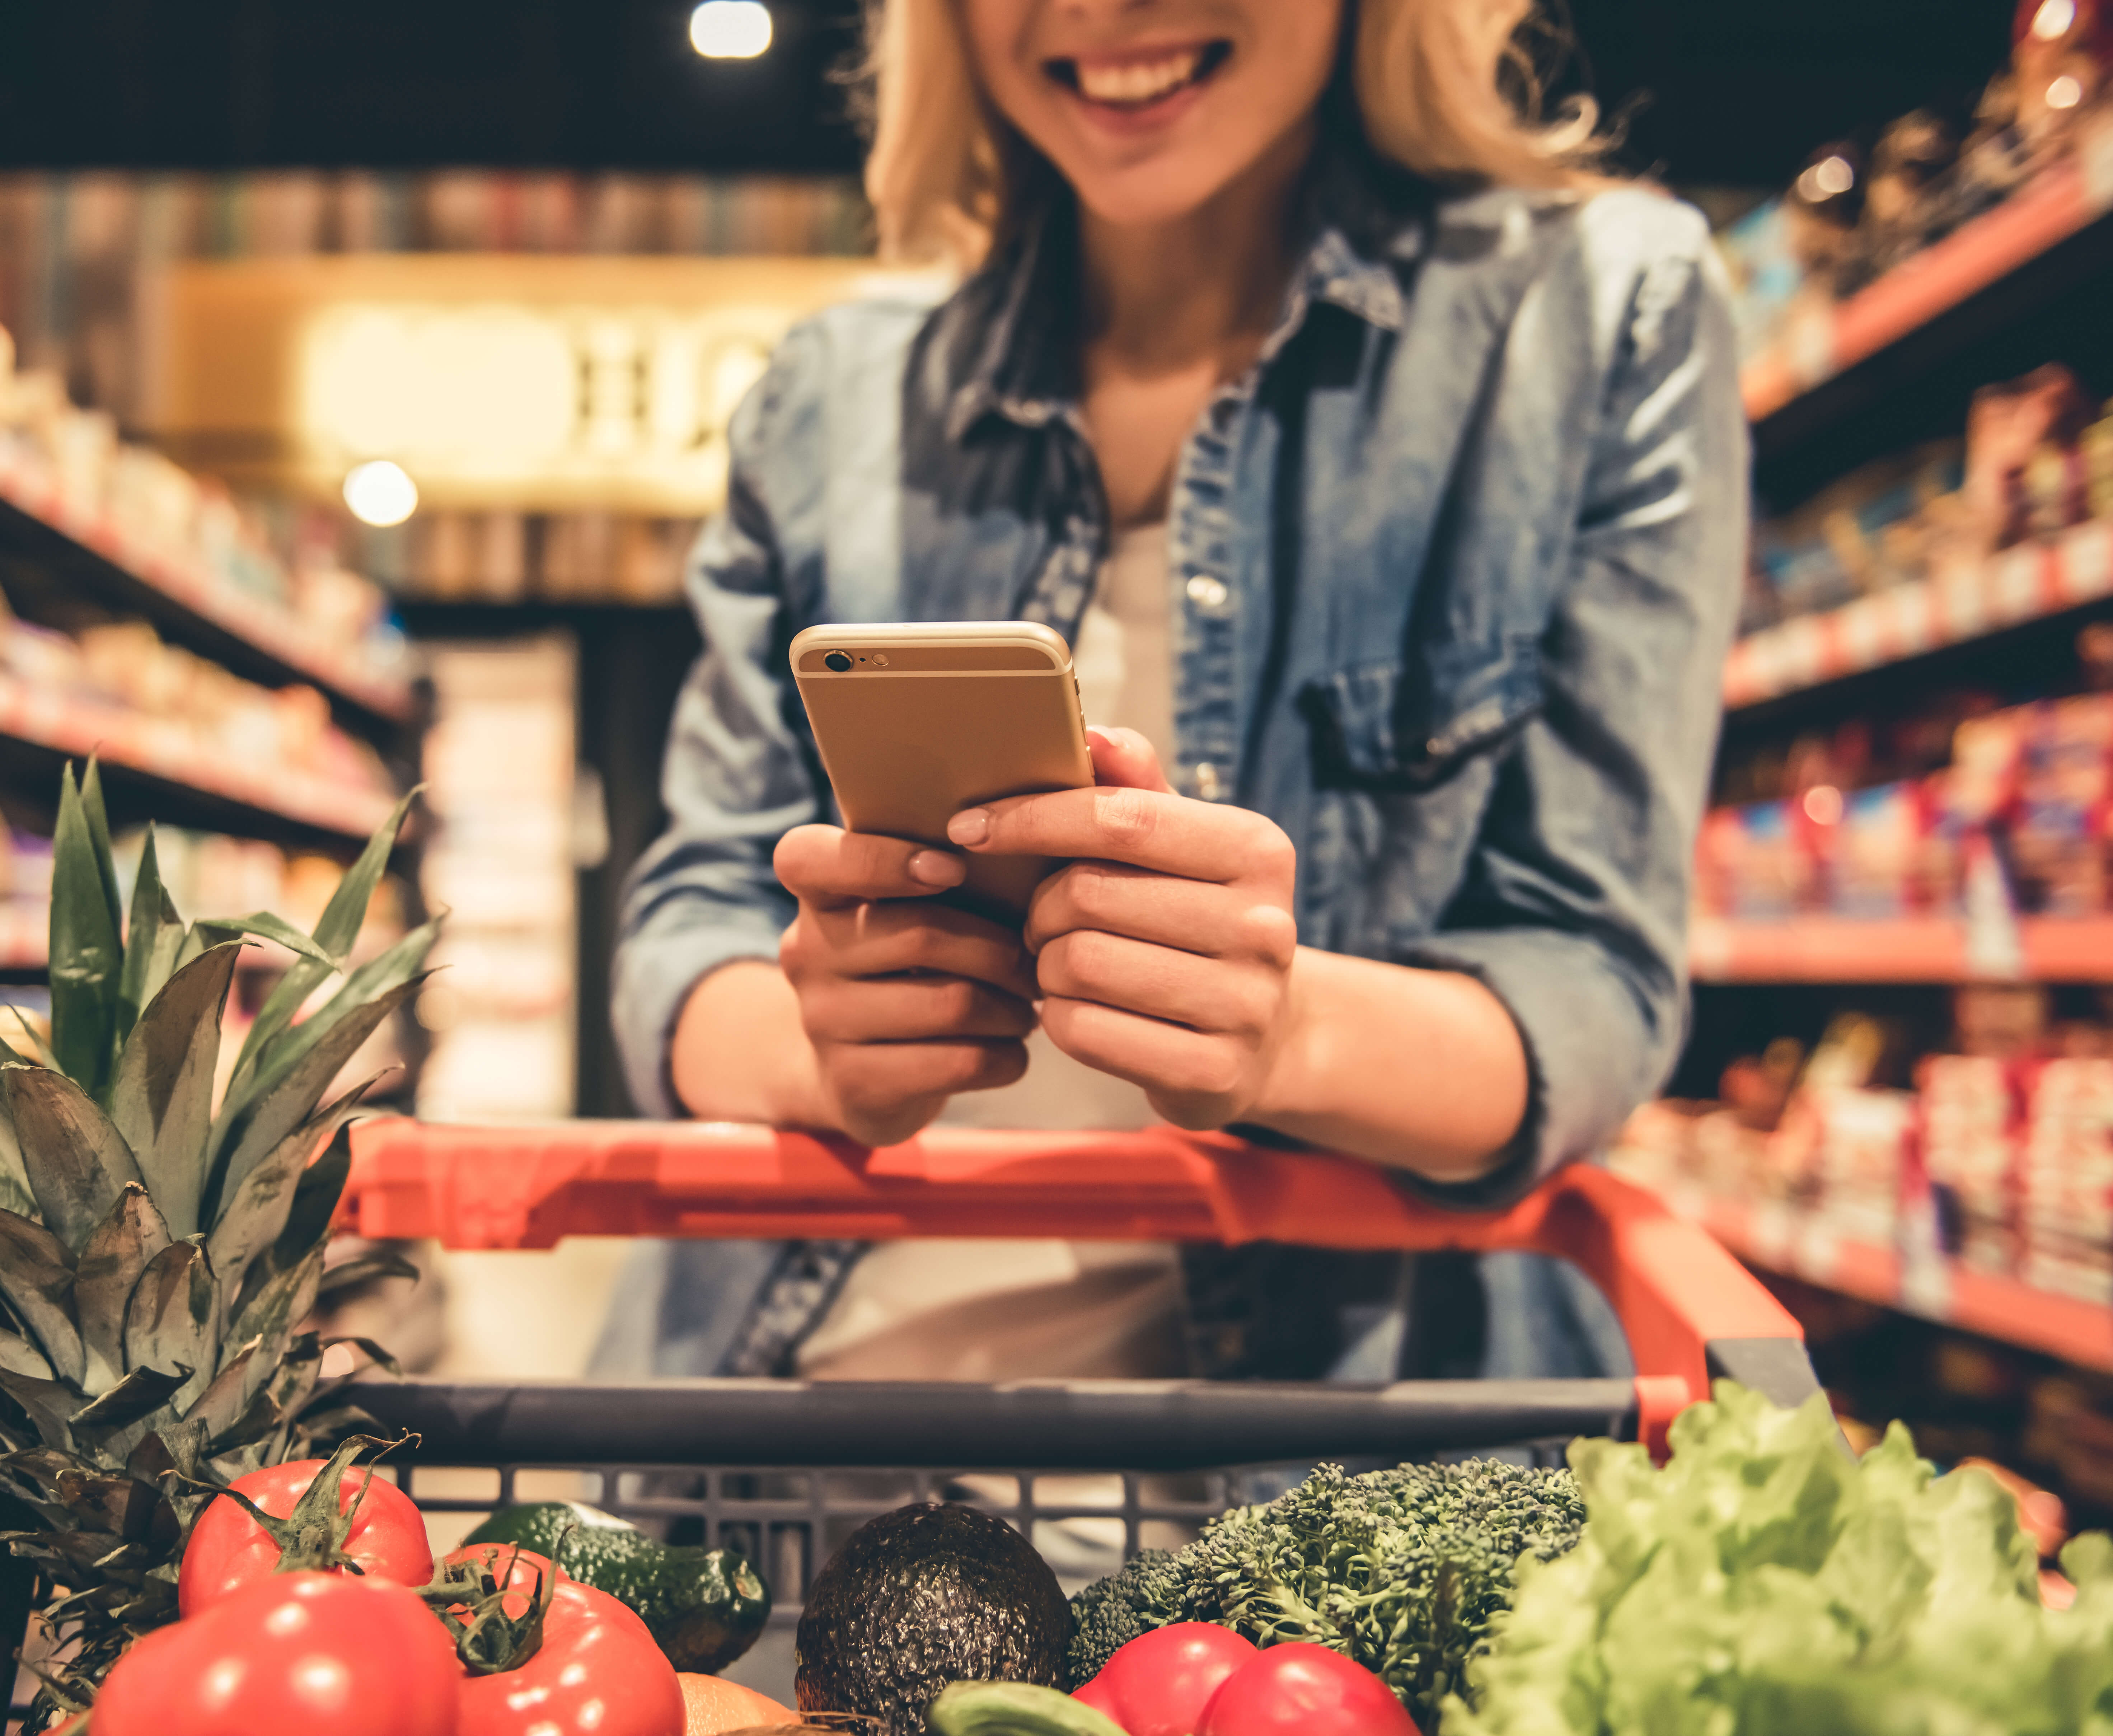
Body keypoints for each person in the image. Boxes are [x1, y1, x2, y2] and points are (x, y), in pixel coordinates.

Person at [593, 0, 1746, 1386]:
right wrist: (820, 1044)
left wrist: (1289, 1033)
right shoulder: (835, 394)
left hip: (1304, 1477)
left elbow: (1595, 988)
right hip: (786, 1419)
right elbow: (687, 931)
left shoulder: (1597, 312)